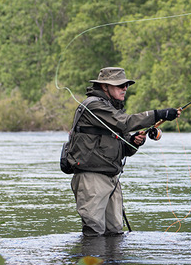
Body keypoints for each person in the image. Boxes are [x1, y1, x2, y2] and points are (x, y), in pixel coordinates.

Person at [65, 66, 180, 236]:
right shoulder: (93, 106)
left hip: (111, 178)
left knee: (114, 232)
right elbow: (125, 123)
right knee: (94, 233)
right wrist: (158, 114)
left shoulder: (112, 109)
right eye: (120, 85)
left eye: (126, 85)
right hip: (92, 179)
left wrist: (133, 142)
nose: (124, 88)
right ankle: (88, 263)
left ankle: (112, 264)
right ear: (105, 87)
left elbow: (123, 148)